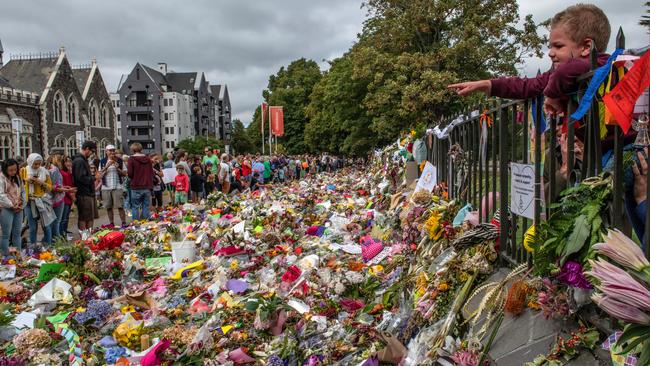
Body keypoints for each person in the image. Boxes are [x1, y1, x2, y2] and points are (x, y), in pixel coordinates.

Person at [448, 4, 611, 115]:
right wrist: (488, 84)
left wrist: (552, 95)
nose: (550, 53)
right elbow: (527, 85)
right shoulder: (557, 74)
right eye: (550, 47)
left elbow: (567, 71)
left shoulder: (602, 63)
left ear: (586, 47)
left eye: (558, 46)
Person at [21, 153, 55, 246]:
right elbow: (19, 183)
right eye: (35, 164)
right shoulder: (24, 170)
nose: (37, 166)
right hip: (29, 201)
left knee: (46, 225)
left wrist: (42, 183)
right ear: (30, 162)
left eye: (39, 163)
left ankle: (48, 246)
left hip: (42, 201)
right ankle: (33, 247)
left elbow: (50, 187)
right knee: (32, 227)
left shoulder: (44, 171)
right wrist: (26, 180)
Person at [0, 159, 25, 257]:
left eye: (15, 170)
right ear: (5, 169)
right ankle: (6, 256)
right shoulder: (1, 178)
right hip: (7, 208)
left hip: (18, 208)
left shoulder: (18, 177)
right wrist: (11, 205)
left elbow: (23, 191)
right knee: (6, 234)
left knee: (17, 233)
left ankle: (17, 255)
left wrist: (23, 203)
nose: (13, 172)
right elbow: (1, 195)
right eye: (10, 170)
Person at [98, 145, 127, 228]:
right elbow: (99, 174)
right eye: (110, 151)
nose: (112, 152)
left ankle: (123, 223)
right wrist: (107, 166)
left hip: (117, 186)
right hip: (106, 187)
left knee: (120, 206)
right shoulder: (102, 161)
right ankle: (111, 223)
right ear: (106, 152)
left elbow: (125, 174)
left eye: (113, 150)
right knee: (108, 207)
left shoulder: (120, 161)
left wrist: (117, 168)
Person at [73, 141, 99, 232]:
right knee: (84, 217)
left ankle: (88, 236)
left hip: (88, 192)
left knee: (90, 217)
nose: (92, 154)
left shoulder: (82, 160)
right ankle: (85, 238)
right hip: (83, 193)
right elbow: (80, 178)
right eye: (92, 151)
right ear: (87, 149)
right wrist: (94, 178)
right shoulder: (79, 161)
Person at [127, 142, 153, 221]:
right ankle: (146, 224)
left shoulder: (131, 159)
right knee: (146, 206)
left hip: (135, 186)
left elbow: (130, 174)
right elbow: (151, 172)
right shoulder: (148, 159)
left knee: (135, 207)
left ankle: (136, 225)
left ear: (132, 149)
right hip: (146, 186)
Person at [46, 154, 67, 239]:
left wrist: (64, 187)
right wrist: (66, 190)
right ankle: (57, 242)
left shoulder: (48, 169)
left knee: (53, 222)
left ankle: (52, 241)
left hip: (51, 199)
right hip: (57, 199)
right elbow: (54, 187)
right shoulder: (55, 170)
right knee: (56, 222)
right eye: (60, 160)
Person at [59, 156, 76, 240]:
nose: (69, 163)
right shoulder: (62, 173)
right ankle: (62, 234)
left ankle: (64, 231)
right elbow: (65, 186)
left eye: (70, 161)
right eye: (67, 161)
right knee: (63, 218)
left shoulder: (69, 172)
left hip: (69, 197)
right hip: (65, 197)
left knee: (66, 217)